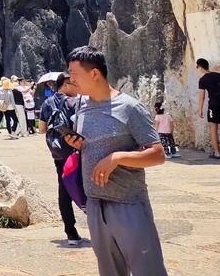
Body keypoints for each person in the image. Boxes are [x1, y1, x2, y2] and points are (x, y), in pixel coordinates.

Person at [63, 46, 168, 276]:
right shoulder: (82, 107)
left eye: (74, 74)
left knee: (148, 271)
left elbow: (158, 153)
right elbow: (94, 144)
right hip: (95, 205)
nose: (70, 80)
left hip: (128, 204)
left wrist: (118, 158)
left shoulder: (129, 108)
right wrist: (81, 146)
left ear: (94, 74)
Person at [37, 74, 83, 246]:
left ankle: (71, 233)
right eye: (74, 83)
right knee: (87, 186)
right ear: (64, 85)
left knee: (64, 190)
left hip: (59, 153)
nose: (77, 86)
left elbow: (41, 129)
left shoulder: (47, 103)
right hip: (76, 150)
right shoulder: (74, 102)